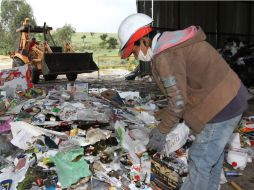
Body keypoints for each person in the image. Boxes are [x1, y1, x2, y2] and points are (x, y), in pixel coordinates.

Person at [117, 13, 251, 190]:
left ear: (143, 40)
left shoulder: (165, 56)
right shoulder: (173, 43)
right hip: (231, 98)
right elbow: (184, 89)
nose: (135, 57)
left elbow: (178, 101)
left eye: (133, 52)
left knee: (200, 159)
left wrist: (161, 131)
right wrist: (164, 114)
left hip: (222, 107)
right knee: (212, 157)